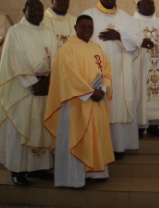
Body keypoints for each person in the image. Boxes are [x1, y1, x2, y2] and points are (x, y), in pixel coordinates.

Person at [45, 15, 114, 188]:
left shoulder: (96, 47)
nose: (87, 31)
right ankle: (72, 178)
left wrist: (103, 89)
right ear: (76, 27)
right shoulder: (67, 49)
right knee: (75, 137)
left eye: (90, 27)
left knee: (95, 137)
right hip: (76, 103)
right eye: (84, 27)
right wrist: (89, 93)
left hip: (96, 102)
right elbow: (68, 76)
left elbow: (107, 70)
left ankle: (94, 173)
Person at [0, 0, 58, 186]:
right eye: (33, 9)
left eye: (40, 9)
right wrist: (32, 82)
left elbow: (55, 58)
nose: (37, 13)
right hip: (24, 89)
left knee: (41, 126)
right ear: (24, 10)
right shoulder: (15, 31)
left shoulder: (48, 32)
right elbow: (16, 59)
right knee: (21, 126)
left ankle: (39, 168)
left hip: (45, 87)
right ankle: (18, 170)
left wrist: (50, 81)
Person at [83, 0, 143, 160]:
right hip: (95, 74)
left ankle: (118, 146)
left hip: (120, 74)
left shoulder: (125, 17)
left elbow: (138, 39)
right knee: (99, 107)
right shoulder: (89, 16)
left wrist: (119, 36)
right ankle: (99, 147)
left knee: (118, 107)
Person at [131, 0, 159, 138]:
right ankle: (139, 127)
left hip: (158, 65)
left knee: (157, 93)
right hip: (140, 66)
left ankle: (154, 126)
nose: (151, 6)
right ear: (139, 5)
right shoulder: (131, 22)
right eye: (147, 3)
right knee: (140, 93)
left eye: (152, 2)